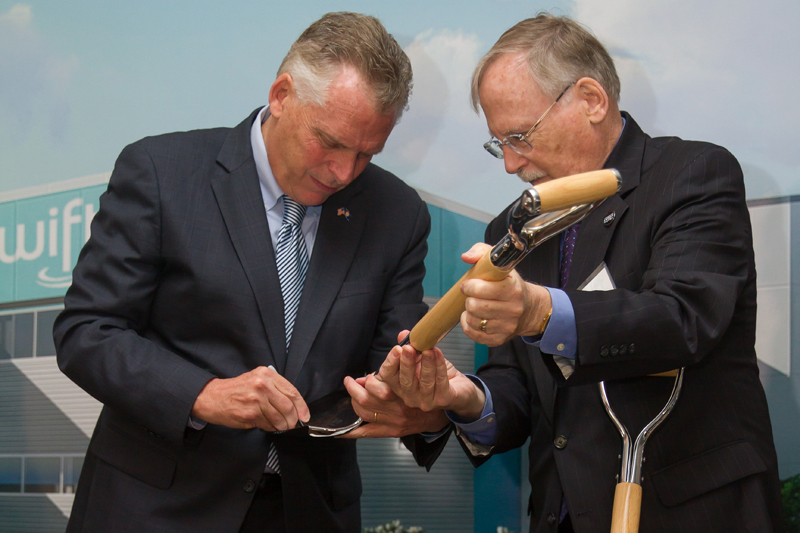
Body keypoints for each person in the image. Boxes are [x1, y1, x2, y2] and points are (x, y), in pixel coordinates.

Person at [376, 14, 782, 533]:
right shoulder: (514, 226)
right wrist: (465, 397)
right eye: (498, 143)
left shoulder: (691, 174)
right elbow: (520, 388)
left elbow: (683, 318)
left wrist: (539, 312)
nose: (509, 164)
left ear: (591, 99)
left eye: (519, 136)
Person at [53, 12, 442, 533]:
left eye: (366, 153)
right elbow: (86, 332)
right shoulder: (162, 173)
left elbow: (384, 367)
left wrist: (417, 390)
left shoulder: (398, 212)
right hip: (155, 510)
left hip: (309, 513)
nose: (343, 172)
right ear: (282, 95)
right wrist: (202, 394)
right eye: (328, 141)